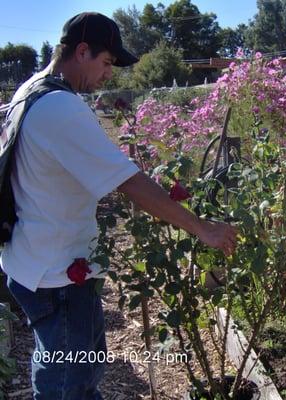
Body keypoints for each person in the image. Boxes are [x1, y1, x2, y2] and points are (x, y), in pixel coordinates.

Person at [0, 12, 237, 400]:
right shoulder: (60, 108)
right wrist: (202, 228)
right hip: (58, 276)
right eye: (107, 62)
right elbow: (127, 180)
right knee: (68, 387)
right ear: (81, 51)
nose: (109, 75)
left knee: (76, 371)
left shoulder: (30, 91)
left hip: (39, 262)